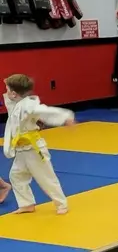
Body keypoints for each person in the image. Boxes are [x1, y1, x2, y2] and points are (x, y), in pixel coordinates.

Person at [3, 74, 74, 214]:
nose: (5, 92)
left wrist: (64, 117)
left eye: (7, 89)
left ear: (14, 93)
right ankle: (27, 204)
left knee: (46, 177)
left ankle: (61, 204)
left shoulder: (29, 105)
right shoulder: (17, 104)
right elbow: (10, 104)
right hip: (21, 149)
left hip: (34, 149)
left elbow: (44, 111)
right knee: (16, 176)